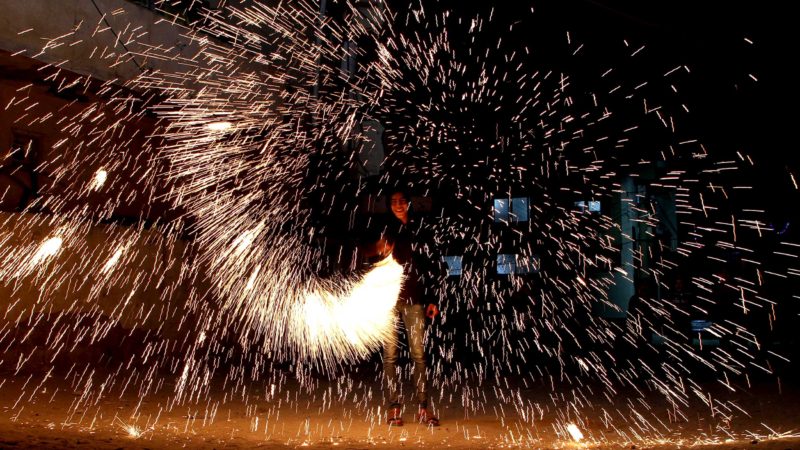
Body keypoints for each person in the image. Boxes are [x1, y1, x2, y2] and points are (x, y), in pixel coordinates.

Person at [374, 189, 440, 427]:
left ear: (409, 203)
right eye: (394, 202)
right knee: (390, 356)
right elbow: (374, 260)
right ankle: (394, 408)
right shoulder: (384, 229)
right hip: (388, 301)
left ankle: (423, 408)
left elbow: (431, 263)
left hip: (415, 299)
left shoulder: (421, 229)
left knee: (418, 355)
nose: (398, 205)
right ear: (390, 205)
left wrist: (433, 299)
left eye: (402, 201)